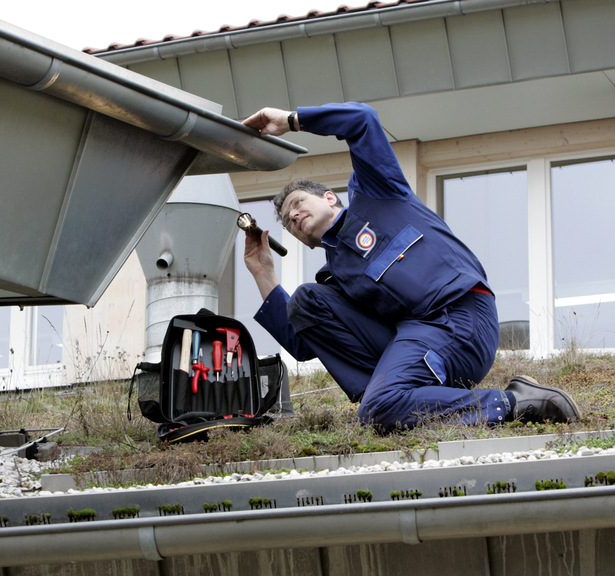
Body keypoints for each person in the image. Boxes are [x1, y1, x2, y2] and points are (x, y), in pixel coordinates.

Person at [241, 101, 580, 431]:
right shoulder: (336, 277)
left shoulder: (378, 193)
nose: (294, 216)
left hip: (461, 320)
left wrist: (291, 120)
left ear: (330, 197)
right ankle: (393, 394)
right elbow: (303, 342)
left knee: (379, 408)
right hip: (414, 337)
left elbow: (361, 120)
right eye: (287, 221)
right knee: (306, 300)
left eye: (298, 204)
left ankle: (515, 401)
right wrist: (263, 272)